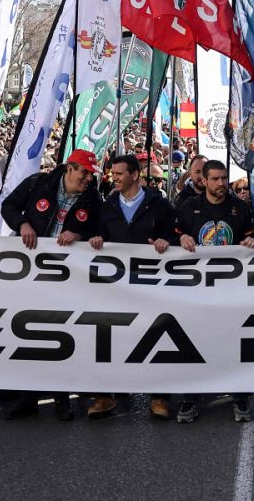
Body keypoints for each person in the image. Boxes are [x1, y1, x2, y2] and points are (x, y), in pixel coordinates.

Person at [0, 149, 102, 421]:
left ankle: (61, 398)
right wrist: (22, 224)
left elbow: (99, 229)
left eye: (91, 174)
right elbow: (7, 206)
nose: (88, 178)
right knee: (27, 330)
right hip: (31, 271)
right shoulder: (38, 183)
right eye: (85, 172)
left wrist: (79, 233)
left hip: (66, 275)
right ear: (70, 168)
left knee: (61, 334)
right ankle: (27, 397)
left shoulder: (93, 197)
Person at [84, 154, 178, 420]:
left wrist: (165, 241)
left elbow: (173, 234)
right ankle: (105, 395)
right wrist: (96, 238)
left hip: (150, 284)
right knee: (109, 336)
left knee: (154, 335)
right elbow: (97, 232)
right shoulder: (108, 205)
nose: (114, 178)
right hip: (113, 286)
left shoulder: (159, 204)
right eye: (113, 174)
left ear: (135, 175)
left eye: (119, 174)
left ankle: (159, 397)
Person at [176, 159, 254, 423]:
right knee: (194, 343)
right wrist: (180, 238)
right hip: (196, 290)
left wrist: (251, 240)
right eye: (215, 179)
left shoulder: (239, 207)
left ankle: (240, 397)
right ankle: (191, 399)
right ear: (204, 181)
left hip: (232, 290)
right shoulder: (189, 207)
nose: (221, 184)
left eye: (224, 178)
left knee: (234, 344)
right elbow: (171, 234)